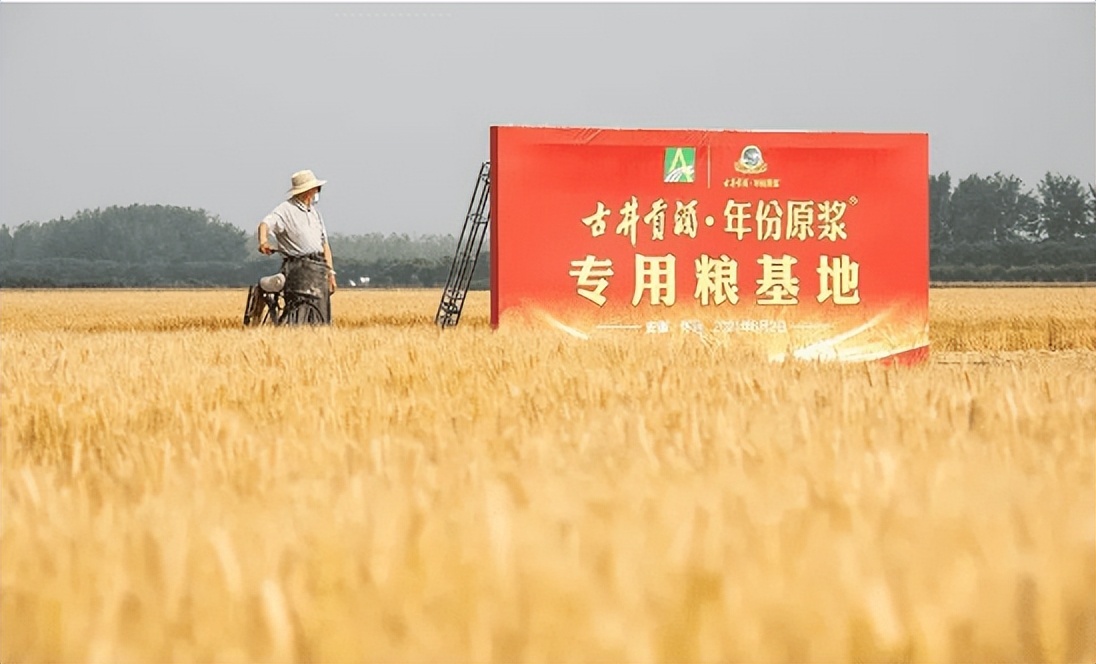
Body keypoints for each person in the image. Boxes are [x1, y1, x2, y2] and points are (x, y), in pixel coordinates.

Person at [256, 169, 337, 323]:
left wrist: (331, 273)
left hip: (319, 267)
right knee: (301, 308)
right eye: (315, 189)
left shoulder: (315, 213)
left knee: (321, 311)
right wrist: (263, 242)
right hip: (298, 267)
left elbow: (324, 245)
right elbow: (265, 224)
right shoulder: (285, 210)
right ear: (308, 191)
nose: (317, 192)